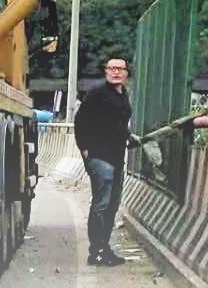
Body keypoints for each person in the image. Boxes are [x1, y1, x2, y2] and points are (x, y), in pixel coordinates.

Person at [73, 56, 138, 266]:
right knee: (102, 203)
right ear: (106, 71)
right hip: (99, 157)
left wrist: (128, 136)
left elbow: (117, 123)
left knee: (112, 205)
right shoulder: (97, 93)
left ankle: (104, 247)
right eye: (112, 68)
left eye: (120, 68)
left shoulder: (123, 94)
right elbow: (80, 121)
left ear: (126, 73)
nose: (116, 72)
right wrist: (85, 149)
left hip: (117, 157)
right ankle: (96, 251)